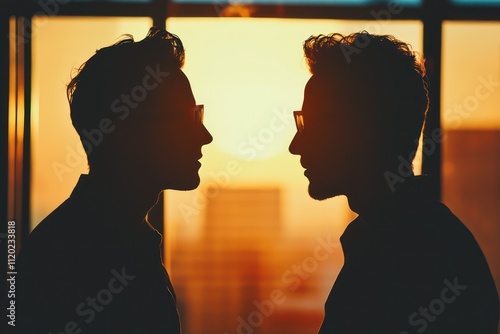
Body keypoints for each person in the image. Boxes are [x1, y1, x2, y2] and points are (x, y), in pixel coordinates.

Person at [289, 32, 499, 333]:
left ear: (364, 132)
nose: (296, 145)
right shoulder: (428, 238)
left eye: (316, 124)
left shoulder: (407, 254)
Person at [15, 27, 212, 333]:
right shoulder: (69, 258)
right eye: (188, 118)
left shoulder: (84, 240)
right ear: (130, 132)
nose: (205, 136)